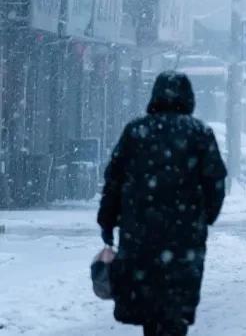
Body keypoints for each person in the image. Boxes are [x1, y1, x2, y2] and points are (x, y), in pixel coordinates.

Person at [97, 71, 227, 336]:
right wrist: (204, 217)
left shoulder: (136, 131)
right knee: (176, 301)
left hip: (140, 234)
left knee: (148, 299)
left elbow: (114, 179)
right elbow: (215, 182)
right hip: (185, 237)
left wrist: (108, 220)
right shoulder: (199, 134)